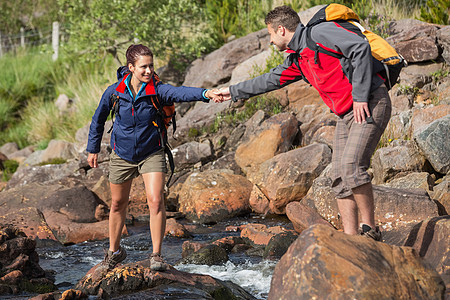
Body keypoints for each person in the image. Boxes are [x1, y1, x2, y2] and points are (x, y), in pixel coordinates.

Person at [218, 5, 392, 241]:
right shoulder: (298, 58)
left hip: (370, 102)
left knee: (352, 167)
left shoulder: (319, 34)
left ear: (281, 30)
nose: (270, 41)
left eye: (270, 34)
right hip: (345, 113)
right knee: (339, 176)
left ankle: (370, 230)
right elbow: (269, 80)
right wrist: (232, 91)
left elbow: (360, 47)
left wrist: (360, 96)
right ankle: (351, 238)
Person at [87, 44, 222, 271]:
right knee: (118, 203)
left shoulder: (157, 90)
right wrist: (93, 149)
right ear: (131, 67)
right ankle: (114, 252)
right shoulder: (114, 92)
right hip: (122, 154)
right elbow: (97, 120)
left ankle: (156, 255)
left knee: (156, 200)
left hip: (152, 152)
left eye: (151, 66)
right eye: (143, 67)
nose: (148, 71)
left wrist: (205, 94)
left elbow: (180, 92)